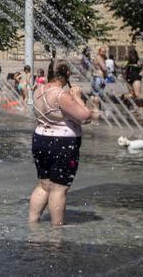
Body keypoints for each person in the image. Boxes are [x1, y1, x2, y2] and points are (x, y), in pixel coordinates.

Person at [28, 61, 100, 227]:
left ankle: (32, 224)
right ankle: (56, 232)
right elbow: (84, 116)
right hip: (61, 143)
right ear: (66, 73)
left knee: (44, 185)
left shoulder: (40, 90)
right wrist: (77, 97)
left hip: (40, 138)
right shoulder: (61, 95)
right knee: (59, 188)